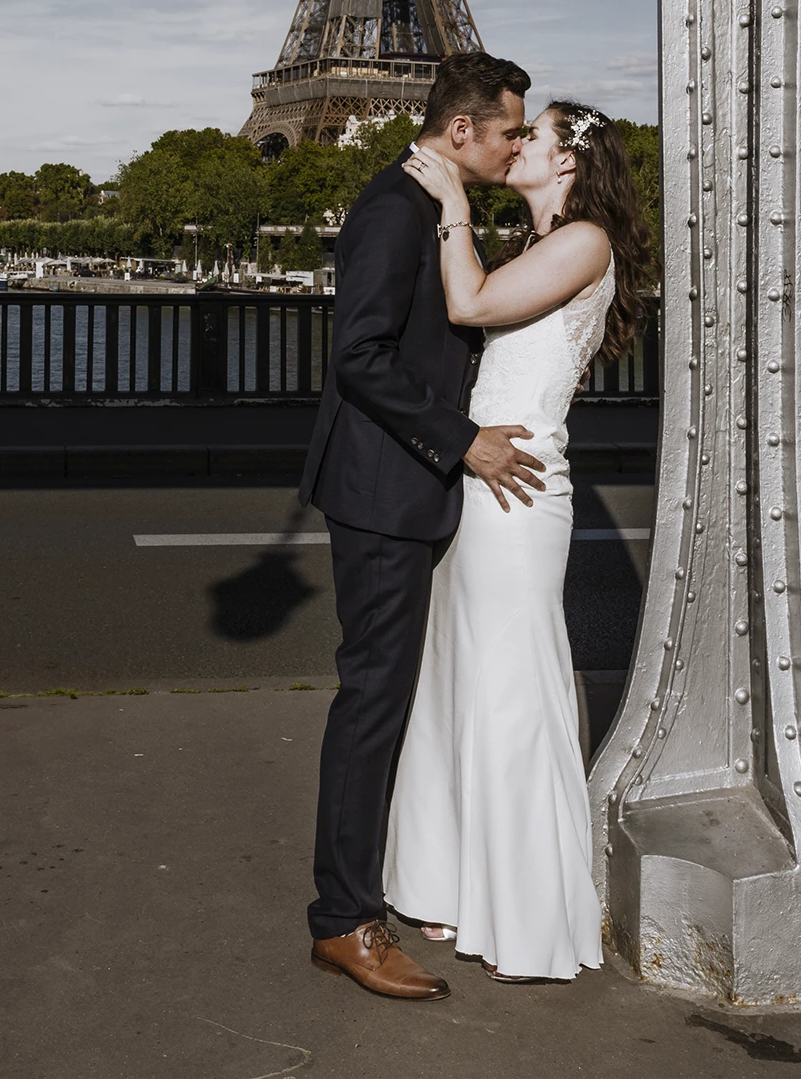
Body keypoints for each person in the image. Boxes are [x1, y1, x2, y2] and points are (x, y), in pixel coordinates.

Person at [384, 100, 650, 982]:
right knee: (460, 678)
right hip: (482, 476)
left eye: (532, 133)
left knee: (506, 690)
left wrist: (452, 204)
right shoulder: (542, 243)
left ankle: (527, 921)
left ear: (570, 158)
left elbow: (469, 304)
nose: (516, 141)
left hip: (518, 490)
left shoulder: (587, 241)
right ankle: (456, 888)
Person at [303, 51, 544, 1002]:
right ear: (462, 132)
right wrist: (464, 440)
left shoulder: (429, 201)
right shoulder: (395, 207)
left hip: (404, 487)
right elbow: (358, 354)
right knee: (372, 705)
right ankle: (343, 923)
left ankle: (368, 897)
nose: (517, 142)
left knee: (389, 701)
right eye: (510, 130)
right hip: (382, 494)